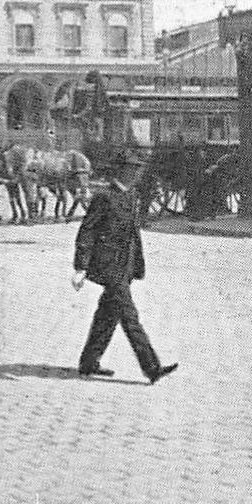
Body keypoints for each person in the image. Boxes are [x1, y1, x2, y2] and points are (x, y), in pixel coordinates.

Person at [71, 150, 178, 385]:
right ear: (124, 170)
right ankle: (152, 368)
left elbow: (133, 235)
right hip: (110, 266)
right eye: (135, 169)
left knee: (107, 315)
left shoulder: (131, 196)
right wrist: (81, 267)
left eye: (139, 169)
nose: (138, 173)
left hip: (125, 265)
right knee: (130, 317)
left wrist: (137, 264)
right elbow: (87, 231)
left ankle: (88, 363)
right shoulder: (104, 197)